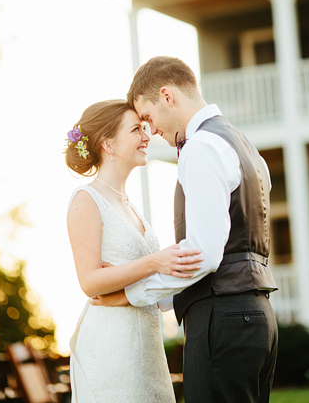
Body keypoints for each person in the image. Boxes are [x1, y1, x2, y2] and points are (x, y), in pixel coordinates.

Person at [98, 56, 279, 403]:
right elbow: (228, 249)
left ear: (167, 95)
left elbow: (204, 256)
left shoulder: (200, 148)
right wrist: (161, 299)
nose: (152, 132)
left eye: (148, 118)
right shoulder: (244, 146)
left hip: (221, 321)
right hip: (258, 318)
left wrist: (129, 295)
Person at [64, 99, 203, 402]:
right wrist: (155, 262)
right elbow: (90, 282)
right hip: (111, 343)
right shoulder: (86, 199)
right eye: (136, 130)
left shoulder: (128, 203)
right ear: (108, 143)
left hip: (146, 343)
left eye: (144, 127)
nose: (147, 136)